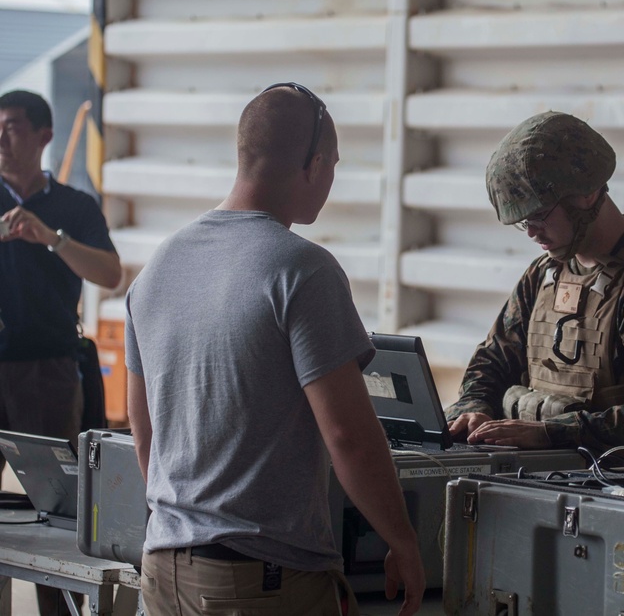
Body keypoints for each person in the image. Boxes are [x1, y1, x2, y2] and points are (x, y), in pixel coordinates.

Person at [125, 83, 424, 616]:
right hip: (258, 578)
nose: (331, 180)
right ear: (312, 165)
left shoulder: (158, 268)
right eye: (332, 165)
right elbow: (348, 435)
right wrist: (402, 540)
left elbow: (143, 430)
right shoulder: (302, 270)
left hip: (163, 566)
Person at [446, 111, 624, 458]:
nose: (531, 232)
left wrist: (550, 434)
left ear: (587, 194)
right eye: (522, 222)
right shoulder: (544, 275)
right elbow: (494, 359)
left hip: (622, 481)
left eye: (539, 215)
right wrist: (474, 407)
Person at [0, 90, 121, 616]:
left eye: (13, 127)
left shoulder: (74, 207)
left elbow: (111, 275)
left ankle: (59, 607)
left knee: (55, 513)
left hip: (49, 373)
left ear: (45, 136)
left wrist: (52, 239)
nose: (1, 139)